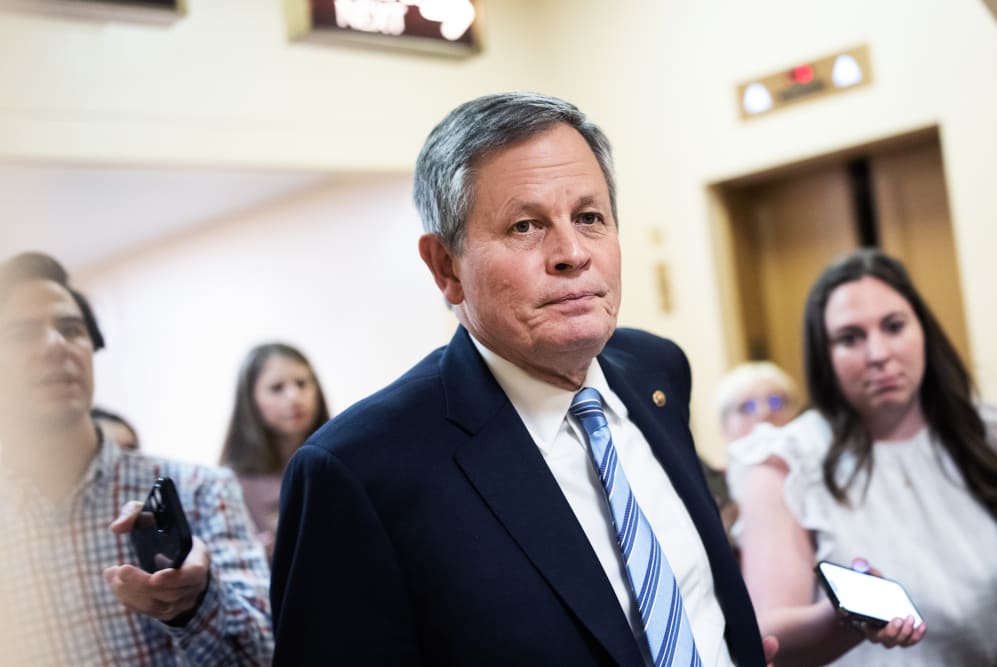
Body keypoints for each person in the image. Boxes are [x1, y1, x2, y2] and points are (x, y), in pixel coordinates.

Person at [271, 92, 775, 666]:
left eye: (589, 218)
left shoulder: (657, 371)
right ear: (446, 266)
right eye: (525, 226)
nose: (572, 254)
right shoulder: (357, 472)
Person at [727, 248, 997, 666]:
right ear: (824, 355)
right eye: (850, 338)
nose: (878, 354)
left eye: (894, 327)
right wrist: (844, 616)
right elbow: (768, 630)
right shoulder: (786, 462)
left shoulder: (986, 434)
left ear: (923, 330)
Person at [0, 251, 273, 665]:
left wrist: (196, 605)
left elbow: (266, 653)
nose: (56, 346)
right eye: (21, 334)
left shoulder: (201, 489)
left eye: (71, 329)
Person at [220, 342, 330, 558]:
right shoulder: (230, 483)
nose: (294, 397)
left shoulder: (339, 460)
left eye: (302, 383)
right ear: (251, 401)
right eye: (276, 388)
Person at [703, 362, 802, 538]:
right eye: (747, 407)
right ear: (724, 426)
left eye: (776, 402)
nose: (764, 413)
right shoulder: (710, 490)